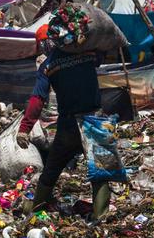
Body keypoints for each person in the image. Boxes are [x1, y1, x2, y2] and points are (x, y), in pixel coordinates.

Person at [17, 24, 111, 219]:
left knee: (52, 167)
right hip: (96, 120)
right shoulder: (87, 54)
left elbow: (37, 99)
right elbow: (102, 54)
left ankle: (37, 208)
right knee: (100, 170)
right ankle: (101, 216)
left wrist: (24, 128)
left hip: (68, 124)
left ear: (45, 43)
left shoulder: (48, 66)